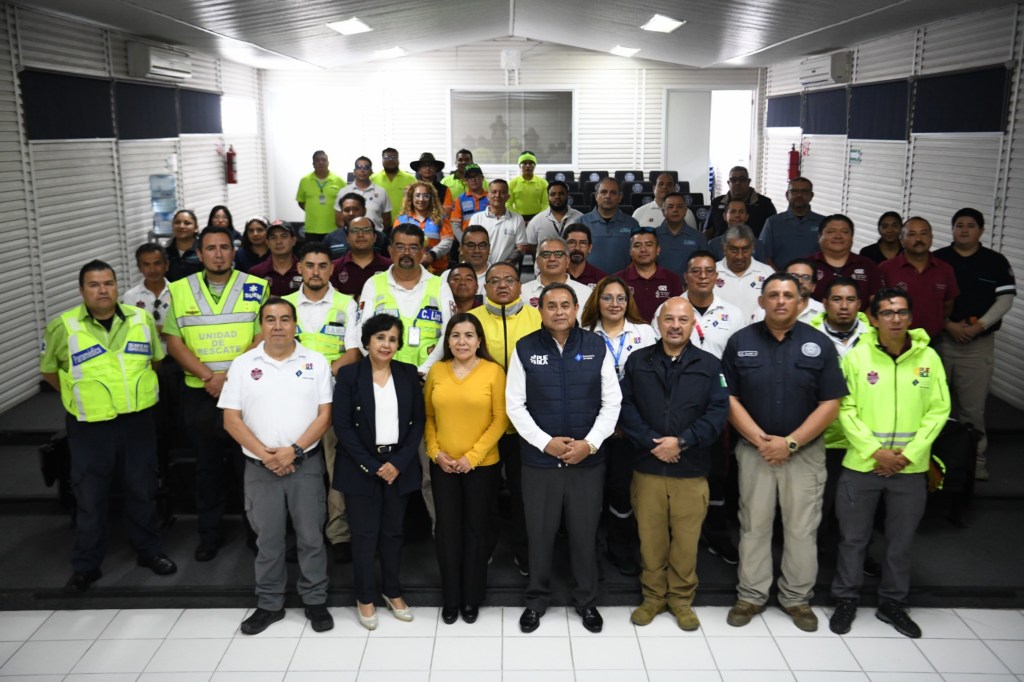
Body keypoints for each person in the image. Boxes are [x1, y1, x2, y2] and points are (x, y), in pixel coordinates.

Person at [721, 273, 848, 633]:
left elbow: (831, 403)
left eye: (788, 295)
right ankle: (751, 595)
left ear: (801, 303)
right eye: (773, 295)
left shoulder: (819, 344)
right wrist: (761, 440)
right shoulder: (740, 342)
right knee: (754, 525)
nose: (780, 301)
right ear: (761, 301)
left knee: (801, 529)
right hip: (755, 451)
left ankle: (796, 599)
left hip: (803, 453)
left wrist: (790, 442)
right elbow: (727, 397)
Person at [41, 260, 176, 592]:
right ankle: (87, 565)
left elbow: (155, 362)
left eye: (108, 283)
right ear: (82, 290)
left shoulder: (141, 319)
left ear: (117, 286)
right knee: (90, 494)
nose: (103, 290)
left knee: (142, 488)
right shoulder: (63, 326)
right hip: (90, 425)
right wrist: (81, 396)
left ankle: (149, 551)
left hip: (137, 421)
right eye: (94, 284)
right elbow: (50, 371)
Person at [828, 288, 951, 638]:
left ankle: (893, 602)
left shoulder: (929, 358)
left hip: (910, 469)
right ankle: (846, 598)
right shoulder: (857, 357)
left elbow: (939, 410)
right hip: (862, 465)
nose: (895, 319)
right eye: (887, 313)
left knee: (901, 541)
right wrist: (875, 451)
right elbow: (844, 408)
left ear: (911, 317)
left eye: (901, 312)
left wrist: (908, 455)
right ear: (873, 318)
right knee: (853, 539)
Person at [506, 283, 622, 634]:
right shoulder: (525, 348)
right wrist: (546, 443)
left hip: (586, 463)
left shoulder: (595, 346)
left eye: (565, 305)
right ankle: (536, 600)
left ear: (576, 309)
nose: (559, 311)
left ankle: (586, 601)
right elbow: (515, 405)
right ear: (540, 311)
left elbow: (612, 402)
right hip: (540, 463)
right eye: (551, 305)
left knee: (584, 534)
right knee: (539, 535)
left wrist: (591, 443)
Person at [219, 298, 334, 635]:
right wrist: (267, 455)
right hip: (260, 467)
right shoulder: (243, 364)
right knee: (267, 540)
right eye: (270, 319)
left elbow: (325, 415)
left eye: (285, 319)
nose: (278, 326)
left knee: (311, 537)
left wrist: (293, 451)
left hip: (305, 464)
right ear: (261, 326)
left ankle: (315, 600)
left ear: (295, 324)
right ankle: (270, 604)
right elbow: (230, 419)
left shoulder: (315, 361)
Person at [619, 297, 730, 630]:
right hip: (648, 466)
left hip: (691, 469)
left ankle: (681, 599)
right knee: (651, 540)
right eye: (669, 319)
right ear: (658, 322)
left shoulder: (710, 365)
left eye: (683, 320)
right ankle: (653, 597)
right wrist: (653, 442)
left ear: (693, 324)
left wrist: (681, 442)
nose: (675, 326)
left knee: (685, 542)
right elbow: (625, 407)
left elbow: (718, 413)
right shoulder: (638, 361)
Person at [165, 226, 269, 561]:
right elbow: (174, 341)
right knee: (207, 469)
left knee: (249, 467)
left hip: (246, 393)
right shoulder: (180, 289)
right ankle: (209, 535)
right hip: (201, 393)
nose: (219, 254)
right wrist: (209, 377)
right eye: (211, 248)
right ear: (199, 253)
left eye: (225, 247)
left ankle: (256, 534)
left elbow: (263, 336)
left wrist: (228, 377)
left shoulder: (256, 286)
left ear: (234, 250)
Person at [333, 313, 425, 630]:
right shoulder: (349, 375)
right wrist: (373, 466)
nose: (386, 344)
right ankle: (365, 596)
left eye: (392, 339)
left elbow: (418, 422)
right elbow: (342, 426)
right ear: (367, 341)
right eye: (380, 338)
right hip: (361, 467)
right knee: (363, 535)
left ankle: (392, 591)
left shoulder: (407, 373)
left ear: (398, 345)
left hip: (398, 465)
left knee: (393, 532)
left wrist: (397, 463)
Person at [424, 313, 509, 624]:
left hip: (482, 466)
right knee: (447, 531)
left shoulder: (493, 371)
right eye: (456, 335)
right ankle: (451, 597)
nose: (462, 341)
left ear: (479, 340)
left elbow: (500, 419)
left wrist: (472, 457)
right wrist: (435, 453)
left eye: (469, 335)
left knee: (476, 530)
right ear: (447, 340)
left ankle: (472, 597)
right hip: (443, 465)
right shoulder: (437, 371)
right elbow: (429, 417)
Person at [283, 242, 362, 564]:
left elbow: (353, 353)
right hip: (290, 402)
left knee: (334, 470)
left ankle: (338, 534)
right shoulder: (284, 305)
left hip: (331, 401)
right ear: (299, 268)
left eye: (322, 266)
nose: (316, 272)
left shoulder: (346, 304)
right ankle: (304, 536)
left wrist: (319, 374)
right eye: (310, 265)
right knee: (296, 473)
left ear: (332, 269)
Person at [580, 276, 657, 576]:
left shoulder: (644, 333)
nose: (614, 304)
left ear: (628, 302)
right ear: (597, 301)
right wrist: (604, 425)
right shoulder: (583, 333)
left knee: (621, 490)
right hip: (591, 427)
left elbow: (650, 384)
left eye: (620, 298)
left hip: (631, 428)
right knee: (590, 492)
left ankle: (620, 549)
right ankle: (588, 556)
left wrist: (625, 423)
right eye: (607, 297)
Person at [469, 263, 542, 575]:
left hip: (526, 425)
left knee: (524, 495)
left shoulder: (537, 318)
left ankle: (524, 553)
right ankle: (482, 549)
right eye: (494, 280)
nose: (502, 285)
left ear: (520, 286)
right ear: (484, 287)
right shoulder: (472, 320)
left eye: (509, 279)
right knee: (482, 495)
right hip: (482, 424)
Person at [936, 208, 1016, 480]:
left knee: (972, 409)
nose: (964, 230)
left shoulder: (995, 261)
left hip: (977, 346)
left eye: (971, 225)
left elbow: (1005, 299)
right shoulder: (939, 259)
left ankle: (975, 461)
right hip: (941, 342)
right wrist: (948, 324)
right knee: (935, 406)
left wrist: (979, 325)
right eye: (959, 225)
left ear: (981, 230)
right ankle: (934, 460)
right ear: (952, 229)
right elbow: (928, 299)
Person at [679, 250, 745, 565]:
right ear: (686, 276)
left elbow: (738, 363)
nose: (703, 276)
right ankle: (679, 539)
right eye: (696, 271)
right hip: (678, 407)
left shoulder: (733, 314)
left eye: (708, 271)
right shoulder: (670, 309)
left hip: (718, 408)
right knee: (680, 474)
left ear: (716, 277)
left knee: (717, 474)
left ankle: (717, 536)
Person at [357, 224, 455, 376]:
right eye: (400, 247)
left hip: (431, 375)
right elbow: (361, 333)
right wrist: (386, 369)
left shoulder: (440, 285)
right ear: (390, 251)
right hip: (384, 375)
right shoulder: (373, 284)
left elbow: (450, 332)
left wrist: (425, 370)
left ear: (423, 252)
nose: (406, 253)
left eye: (413, 247)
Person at [878, 217, 959, 343]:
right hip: (895, 343)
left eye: (923, 233)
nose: (918, 239)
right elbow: (878, 307)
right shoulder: (885, 269)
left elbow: (947, 307)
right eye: (912, 234)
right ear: (902, 240)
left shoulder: (945, 269)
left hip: (933, 343)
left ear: (931, 238)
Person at [809, 214, 881, 307]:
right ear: (819, 237)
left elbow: (877, 305)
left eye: (844, 232)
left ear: (852, 237)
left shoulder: (868, 266)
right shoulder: (807, 265)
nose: (838, 236)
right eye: (831, 231)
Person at [614, 226, 684, 323]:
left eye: (649, 245)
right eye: (637, 245)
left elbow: (680, 313)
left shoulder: (672, 279)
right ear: (630, 251)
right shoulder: (617, 280)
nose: (643, 249)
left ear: (658, 250)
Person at [715, 224, 775, 323]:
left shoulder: (768, 273)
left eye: (745, 250)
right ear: (723, 249)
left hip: (758, 332)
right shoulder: (711, 273)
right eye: (734, 250)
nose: (739, 256)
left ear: (752, 248)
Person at [520, 237, 593, 319]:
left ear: (568, 260)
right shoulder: (521, 293)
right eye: (546, 254)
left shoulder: (586, 293)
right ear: (537, 261)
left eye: (558, 254)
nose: (552, 259)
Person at [760, 177, 824, 269]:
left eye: (804, 192)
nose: (799, 195)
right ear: (787, 195)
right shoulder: (773, 223)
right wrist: (778, 276)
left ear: (811, 196)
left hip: (814, 277)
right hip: (780, 276)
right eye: (794, 191)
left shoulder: (823, 223)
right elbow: (765, 256)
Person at [580, 177, 640, 274]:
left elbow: (639, 255)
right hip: (588, 281)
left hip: (623, 280)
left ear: (620, 197)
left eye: (613, 193)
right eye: (603, 192)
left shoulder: (632, 223)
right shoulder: (581, 222)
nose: (608, 196)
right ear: (596, 196)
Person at [394, 181, 455, 274]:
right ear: (411, 197)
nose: (421, 199)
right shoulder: (401, 220)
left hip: (438, 270)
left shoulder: (441, 219)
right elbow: (396, 245)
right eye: (417, 195)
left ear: (431, 198)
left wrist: (432, 255)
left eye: (426, 196)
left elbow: (447, 241)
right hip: (409, 270)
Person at [704, 165, 778, 239]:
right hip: (720, 245)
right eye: (733, 180)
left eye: (742, 179)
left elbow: (774, 232)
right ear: (728, 183)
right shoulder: (717, 203)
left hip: (754, 245)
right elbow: (707, 231)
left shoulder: (765, 204)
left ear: (748, 182)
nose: (737, 183)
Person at [468, 178, 528, 266]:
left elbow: (521, 247)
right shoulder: (476, 218)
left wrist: (505, 265)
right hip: (480, 268)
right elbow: (470, 245)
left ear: (508, 197)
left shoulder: (517, 219)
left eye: (502, 192)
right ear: (488, 196)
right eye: (494, 192)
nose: (497, 195)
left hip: (506, 270)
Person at [330, 216, 392, 298]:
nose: (360, 235)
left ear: (375, 237)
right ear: (347, 238)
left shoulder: (390, 267)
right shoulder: (334, 268)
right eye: (354, 231)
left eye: (366, 230)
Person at [751, 258, 825, 325]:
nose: (799, 281)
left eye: (806, 277)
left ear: (813, 287)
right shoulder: (762, 312)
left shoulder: (823, 311)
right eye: (793, 276)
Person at [121, 243, 171, 343]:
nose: (152, 270)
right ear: (139, 268)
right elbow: (130, 331)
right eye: (146, 265)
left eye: (157, 263)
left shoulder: (179, 292)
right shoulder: (130, 297)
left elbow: (186, 329)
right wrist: (163, 330)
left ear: (166, 265)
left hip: (175, 352)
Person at [296, 150, 347, 241]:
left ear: (328, 162)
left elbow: (346, 203)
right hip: (311, 229)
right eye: (317, 160)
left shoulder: (339, 181)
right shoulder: (305, 180)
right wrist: (315, 210)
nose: (321, 162)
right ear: (313, 164)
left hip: (333, 228)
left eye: (323, 160)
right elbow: (301, 202)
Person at [653, 192, 709, 275]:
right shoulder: (653, 236)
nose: (675, 210)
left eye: (679, 206)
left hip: (689, 283)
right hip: (659, 282)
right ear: (663, 211)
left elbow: (705, 266)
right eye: (670, 207)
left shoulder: (699, 238)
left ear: (685, 211)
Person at [526, 180, 584, 257]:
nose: (557, 197)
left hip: (572, 263)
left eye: (561, 194)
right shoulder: (536, 220)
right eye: (553, 194)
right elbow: (530, 245)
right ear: (548, 197)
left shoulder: (580, 218)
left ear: (567, 196)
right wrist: (543, 257)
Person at [334, 156, 392, 231]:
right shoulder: (344, 192)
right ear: (354, 171)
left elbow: (387, 220)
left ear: (371, 171)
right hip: (351, 235)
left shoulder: (381, 192)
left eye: (366, 167)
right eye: (359, 167)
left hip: (376, 235)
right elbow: (339, 220)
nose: (362, 170)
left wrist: (376, 234)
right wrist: (351, 233)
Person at [249, 221, 301, 296]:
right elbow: (251, 302)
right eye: (273, 237)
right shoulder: (256, 273)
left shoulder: (305, 271)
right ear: (267, 243)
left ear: (293, 240)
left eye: (284, 236)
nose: (278, 241)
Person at [370, 148, 417, 231]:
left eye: (394, 157)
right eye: (387, 157)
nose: (391, 160)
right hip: (379, 225)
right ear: (382, 160)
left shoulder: (410, 179)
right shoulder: (373, 179)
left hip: (404, 224)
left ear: (398, 160)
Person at [633, 173, 699, 230]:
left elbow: (693, 237)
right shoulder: (639, 212)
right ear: (654, 189)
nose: (664, 187)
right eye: (661, 184)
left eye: (669, 184)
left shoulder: (687, 213)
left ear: (675, 189)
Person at [450, 163, 489, 244]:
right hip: (467, 242)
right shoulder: (460, 199)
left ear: (482, 178)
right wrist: (465, 242)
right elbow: (455, 226)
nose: (473, 180)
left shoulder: (491, 198)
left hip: (488, 241)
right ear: (465, 180)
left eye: (476, 176)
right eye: (470, 177)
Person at [508, 151, 548, 221]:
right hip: (518, 218)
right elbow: (508, 204)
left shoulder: (543, 183)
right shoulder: (512, 183)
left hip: (538, 218)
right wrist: (518, 218)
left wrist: (539, 218)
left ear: (534, 166)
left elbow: (546, 204)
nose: (528, 166)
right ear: (520, 166)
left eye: (531, 163)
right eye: (524, 163)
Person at [165, 209, 202, 282]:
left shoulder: (203, 251)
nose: (181, 226)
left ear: (196, 228)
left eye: (187, 223)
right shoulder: (165, 252)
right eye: (177, 222)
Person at [453, 225, 490, 291]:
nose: (477, 251)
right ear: (461, 249)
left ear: (489, 249)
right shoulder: (448, 276)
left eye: (482, 245)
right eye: (471, 245)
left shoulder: (499, 278)